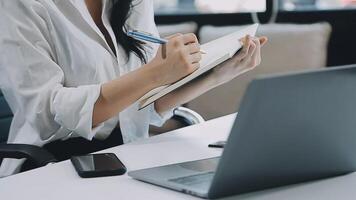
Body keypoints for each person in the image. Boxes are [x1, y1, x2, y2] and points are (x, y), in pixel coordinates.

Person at [0, 0, 267, 177]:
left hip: (126, 154)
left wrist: (218, 74)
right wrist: (154, 73)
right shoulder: (19, 4)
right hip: (52, 163)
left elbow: (144, 106)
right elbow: (45, 113)